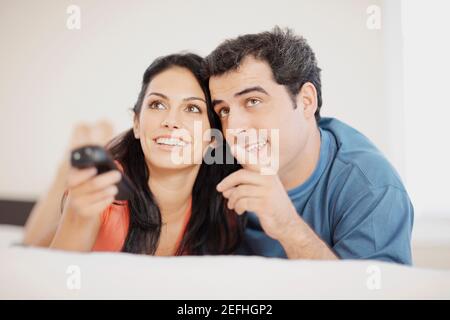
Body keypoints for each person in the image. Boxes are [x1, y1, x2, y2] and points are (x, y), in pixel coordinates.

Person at [205, 27, 414, 264]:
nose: (233, 127)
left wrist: (288, 226)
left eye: (253, 101)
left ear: (306, 101)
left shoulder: (372, 187)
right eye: (223, 110)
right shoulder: (216, 164)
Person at [26, 53, 244, 255]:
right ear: (137, 124)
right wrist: (78, 214)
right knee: (30, 246)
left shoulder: (223, 205)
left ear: (214, 138)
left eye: (192, 109)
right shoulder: (105, 193)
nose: (171, 121)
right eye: (157, 104)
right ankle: (66, 167)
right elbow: (56, 275)